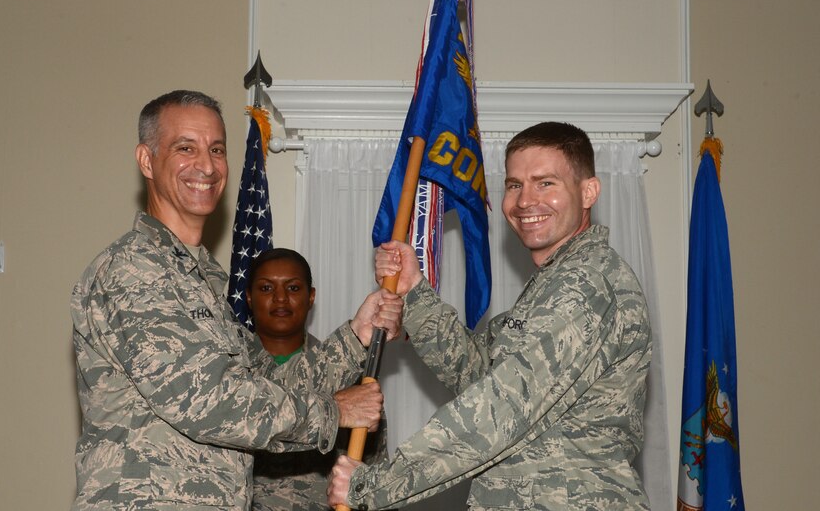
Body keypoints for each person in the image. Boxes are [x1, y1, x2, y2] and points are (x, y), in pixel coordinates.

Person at [70, 90, 402, 510]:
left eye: (216, 149)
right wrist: (334, 413)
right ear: (146, 161)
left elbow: (270, 383)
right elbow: (206, 400)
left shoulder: (201, 282)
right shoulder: (134, 269)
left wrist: (357, 334)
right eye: (185, 148)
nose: (206, 166)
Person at [329, 121, 652, 510]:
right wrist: (413, 289)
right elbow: (478, 370)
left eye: (545, 183)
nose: (525, 201)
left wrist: (372, 486)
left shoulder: (585, 283)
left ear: (588, 192)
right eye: (514, 185)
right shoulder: (554, 282)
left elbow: (500, 407)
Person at [248, 248, 390, 511]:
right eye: (266, 288)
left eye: (293, 288)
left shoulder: (350, 377)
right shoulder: (229, 371)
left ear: (311, 296)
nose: (280, 298)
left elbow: (376, 477)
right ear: (248, 297)